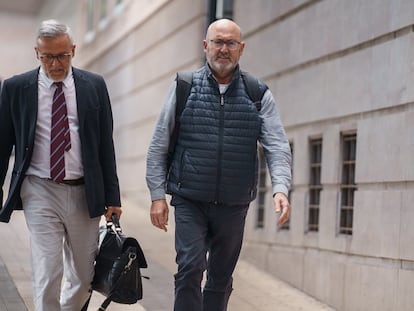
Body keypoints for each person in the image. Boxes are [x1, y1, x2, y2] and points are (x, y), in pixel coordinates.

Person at [146, 18, 292, 311]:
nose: (223, 49)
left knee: (220, 278)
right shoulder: (184, 87)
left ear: (241, 49)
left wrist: (281, 188)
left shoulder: (257, 93)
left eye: (230, 43)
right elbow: (158, 145)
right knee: (189, 268)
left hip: (234, 203)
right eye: (218, 42)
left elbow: (276, 145)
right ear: (205, 46)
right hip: (190, 199)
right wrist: (157, 196)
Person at [0, 20, 122, 311]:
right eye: (48, 57)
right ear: (37, 53)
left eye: (62, 56)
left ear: (73, 50)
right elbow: (3, 142)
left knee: (83, 278)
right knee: (47, 272)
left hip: (84, 191)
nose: (56, 63)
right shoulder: (16, 88)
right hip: (39, 189)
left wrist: (113, 197)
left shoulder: (94, 85)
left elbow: (106, 143)